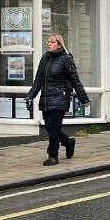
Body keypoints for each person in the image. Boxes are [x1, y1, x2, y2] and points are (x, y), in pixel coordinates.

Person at [27, 34, 90, 166]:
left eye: (52, 42)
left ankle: (52, 155)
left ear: (60, 45)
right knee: (50, 128)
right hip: (46, 99)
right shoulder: (45, 58)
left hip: (60, 98)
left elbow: (75, 80)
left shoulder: (66, 59)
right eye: (48, 42)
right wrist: (30, 96)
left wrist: (84, 99)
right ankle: (68, 142)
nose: (49, 44)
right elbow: (38, 80)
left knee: (54, 128)